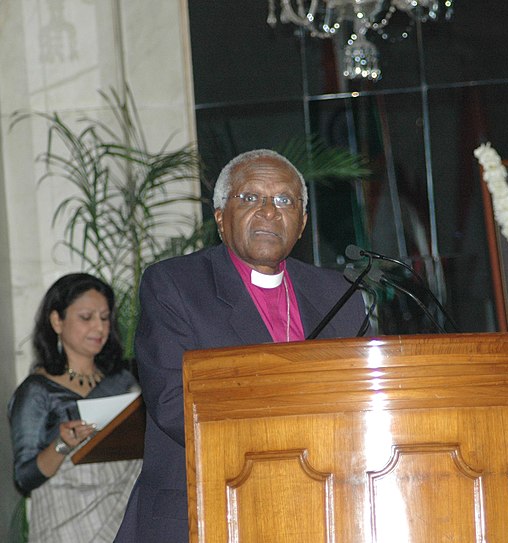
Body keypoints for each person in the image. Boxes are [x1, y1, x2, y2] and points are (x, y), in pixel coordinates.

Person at [115, 149, 367, 542]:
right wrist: (285, 451)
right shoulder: (176, 285)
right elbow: (172, 402)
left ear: (301, 224)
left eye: (285, 200)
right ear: (220, 217)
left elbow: (360, 399)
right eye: (250, 197)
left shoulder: (338, 294)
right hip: (209, 503)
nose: (269, 211)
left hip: (321, 507)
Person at [8, 273, 142, 542]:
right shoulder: (38, 391)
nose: (99, 328)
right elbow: (25, 477)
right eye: (86, 317)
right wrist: (62, 444)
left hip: (128, 517)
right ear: (57, 321)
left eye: (105, 318)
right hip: (68, 526)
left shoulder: (124, 381)